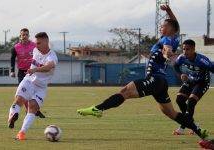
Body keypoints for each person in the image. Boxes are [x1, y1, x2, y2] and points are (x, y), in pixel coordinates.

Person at [77, 5, 211, 147]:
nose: (160, 27)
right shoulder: (174, 37)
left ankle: (98, 109)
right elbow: (176, 26)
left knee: (125, 92)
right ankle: (199, 131)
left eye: (163, 25)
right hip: (160, 82)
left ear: (169, 29)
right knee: (171, 113)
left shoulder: (167, 40)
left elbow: (167, 49)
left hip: (154, 79)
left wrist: (167, 54)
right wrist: (169, 12)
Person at [8, 32, 58, 140]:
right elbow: (24, 45)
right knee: (19, 100)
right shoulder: (35, 49)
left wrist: (35, 69)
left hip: (41, 87)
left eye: (39, 43)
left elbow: (49, 66)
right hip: (29, 81)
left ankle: (21, 133)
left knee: (33, 109)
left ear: (46, 41)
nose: (37, 45)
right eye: (36, 43)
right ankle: (12, 116)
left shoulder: (52, 56)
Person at [172, 40, 214, 135]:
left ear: (193, 49)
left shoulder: (202, 60)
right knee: (180, 100)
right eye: (183, 49)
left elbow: (212, 68)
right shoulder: (182, 57)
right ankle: (194, 124)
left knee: (191, 101)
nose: (185, 51)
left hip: (202, 83)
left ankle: (183, 127)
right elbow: (175, 66)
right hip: (190, 81)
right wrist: (181, 73)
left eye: (188, 49)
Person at [10, 28, 46, 118]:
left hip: (33, 71)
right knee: (24, 92)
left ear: (29, 35)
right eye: (23, 35)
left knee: (35, 92)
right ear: (20, 36)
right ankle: (30, 111)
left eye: (26, 34)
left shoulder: (34, 45)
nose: (25, 36)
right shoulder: (15, 47)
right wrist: (12, 71)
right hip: (22, 72)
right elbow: (12, 59)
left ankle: (35, 110)